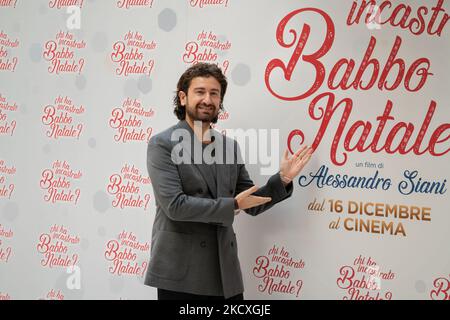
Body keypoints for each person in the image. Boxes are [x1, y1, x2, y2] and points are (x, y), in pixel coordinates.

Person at [144, 62, 313, 300]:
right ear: (183, 98)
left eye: (214, 93)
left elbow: (249, 200)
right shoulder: (162, 144)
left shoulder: (229, 147)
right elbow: (175, 206)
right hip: (181, 274)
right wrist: (232, 205)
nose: (208, 99)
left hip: (225, 272)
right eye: (200, 92)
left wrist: (283, 179)